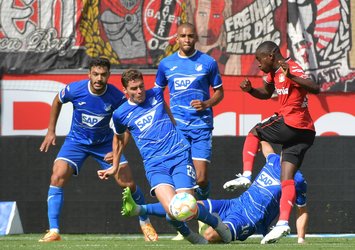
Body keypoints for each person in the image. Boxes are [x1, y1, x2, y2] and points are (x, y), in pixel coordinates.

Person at [98, 69, 231, 244]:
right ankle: (189, 235)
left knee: (186, 206)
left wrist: (178, 132)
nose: (139, 92)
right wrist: (115, 165)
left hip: (179, 155)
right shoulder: (120, 114)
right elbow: (119, 138)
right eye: (134, 89)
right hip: (155, 165)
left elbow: (167, 111)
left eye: (141, 86)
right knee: (172, 210)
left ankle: (216, 223)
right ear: (125, 91)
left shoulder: (156, 93)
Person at [38, 58, 158, 242]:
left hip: (105, 144)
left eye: (103, 74)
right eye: (95, 74)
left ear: (109, 76)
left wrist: (117, 151)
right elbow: (57, 100)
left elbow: (127, 128)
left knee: (127, 183)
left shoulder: (117, 97)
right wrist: (50, 131)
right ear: (89, 74)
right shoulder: (75, 89)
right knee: (57, 175)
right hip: (76, 142)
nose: (99, 78)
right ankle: (53, 230)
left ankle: (146, 223)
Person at [223, 41, 319, 243]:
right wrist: (250, 91)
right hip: (304, 133)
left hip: (293, 123)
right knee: (287, 178)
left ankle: (247, 176)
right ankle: (283, 223)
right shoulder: (273, 74)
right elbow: (266, 94)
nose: (258, 64)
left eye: (259, 59)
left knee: (254, 132)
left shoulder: (291, 67)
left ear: (271, 56)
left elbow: (316, 87)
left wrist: (292, 76)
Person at [121, 141, 309, 244]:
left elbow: (302, 210)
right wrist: (262, 130)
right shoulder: (274, 160)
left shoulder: (298, 180)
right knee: (189, 204)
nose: (286, 155)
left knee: (210, 236)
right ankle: (139, 209)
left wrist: (301, 240)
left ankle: (195, 238)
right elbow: (263, 141)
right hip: (236, 203)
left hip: (249, 219)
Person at [155, 22, 224, 207]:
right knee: (182, 177)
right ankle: (186, 222)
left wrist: (206, 103)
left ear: (196, 38)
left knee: (200, 179)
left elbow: (219, 92)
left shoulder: (208, 63)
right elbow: (157, 93)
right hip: (178, 128)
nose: (187, 39)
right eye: (183, 36)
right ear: (176, 39)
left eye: (190, 36)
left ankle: (203, 205)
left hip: (201, 126)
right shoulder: (166, 64)